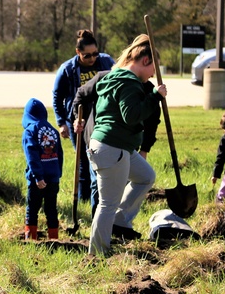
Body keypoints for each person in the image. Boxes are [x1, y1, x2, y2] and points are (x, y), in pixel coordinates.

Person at [87, 34, 167, 256]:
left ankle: (120, 221)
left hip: (116, 148)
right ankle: (97, 253)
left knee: (146, 176)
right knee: (107, 204)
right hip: (112, 148)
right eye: (153, 68)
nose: (153, 74)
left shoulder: (116, 77)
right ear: (144, 61)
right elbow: (131, 115)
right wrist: (154, 97)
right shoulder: (129, 82)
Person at [52, 29, 115, 203]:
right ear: (78, 52)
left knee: (98, 157)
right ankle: (84, 199)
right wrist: (61, 123)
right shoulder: (68, 69)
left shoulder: (106, 62)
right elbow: (57, 97)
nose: (92, 58)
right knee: (82, 161)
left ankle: (101, 196)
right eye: (87, 56)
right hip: (78, 120)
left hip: (101, 118)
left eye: (95, 54)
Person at [21, 98, 63, 240]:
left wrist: (38, 176)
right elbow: (60, 154)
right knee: (51, 208)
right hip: (53, 178)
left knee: (32, 208)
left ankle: (31, 237)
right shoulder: (53, 130)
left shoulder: (30, 132)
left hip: (37, 180)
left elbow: (32, 156)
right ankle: (54, 238)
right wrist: (58, 173)